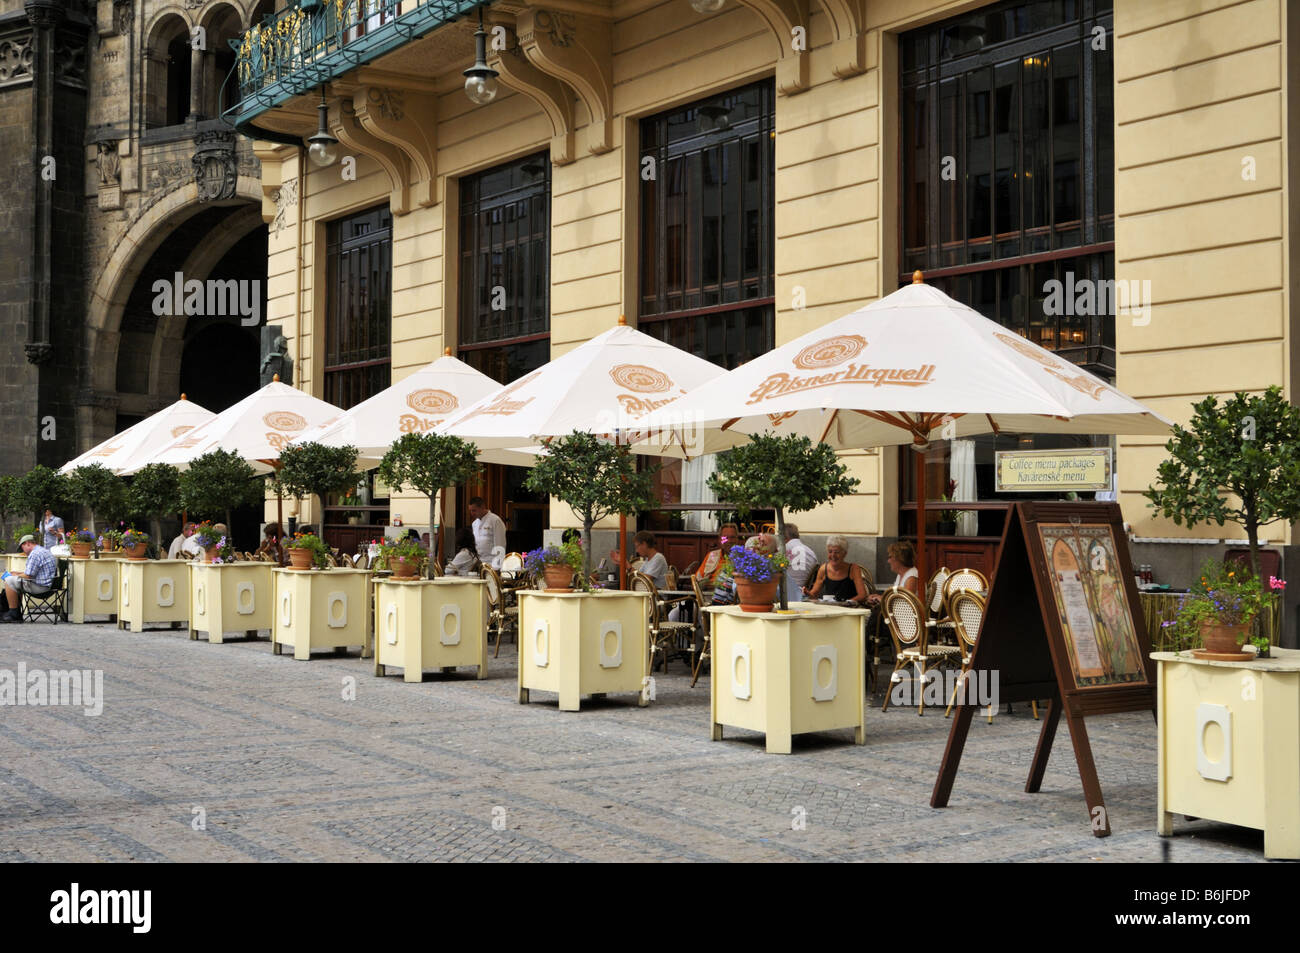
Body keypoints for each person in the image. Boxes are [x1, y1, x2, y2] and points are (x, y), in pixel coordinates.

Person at [2, 534, 55, 623]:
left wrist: (13, 576)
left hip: (40, 587)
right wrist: (18, 573)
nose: (23, 552)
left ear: (28, 544)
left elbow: (28, 576)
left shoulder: (35, 554)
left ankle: (13, 613)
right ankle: (16, 612)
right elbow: (32, 573)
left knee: (9, 580)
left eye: (22, 548)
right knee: (15, 581)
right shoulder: (43, 551)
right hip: (46, 584)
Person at [804, 534, 869, 606]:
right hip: (830, 609)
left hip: (850, 609)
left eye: (836, 552)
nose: (833, 555)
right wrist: (807, 593)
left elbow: (862, 595)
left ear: (844, 554)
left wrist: (845, 603)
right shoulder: (823, 569)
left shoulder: (853, 569)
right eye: (830, 551)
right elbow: (814, 594)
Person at [864, 541, 921, 606]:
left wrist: (883, 599)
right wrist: (877, 597)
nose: (888, 561)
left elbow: (905, 603)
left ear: (900, 558)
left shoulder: (912, 577)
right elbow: (894, 595)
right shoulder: (901, 574)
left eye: (890, 557)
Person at [468, 496, 506, 568]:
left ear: (482, 507)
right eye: (470, 511)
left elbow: (500, 546)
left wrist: (497, 567)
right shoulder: (474, 524)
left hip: (491, 564)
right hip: (478, 564)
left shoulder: (495, 520)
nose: (472, 513)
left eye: (474, 510)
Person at [783, 524, 817, 603]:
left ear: (784, 537)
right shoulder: (811, 552)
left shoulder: (783, 549)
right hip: (803, 592)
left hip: (785, 593)